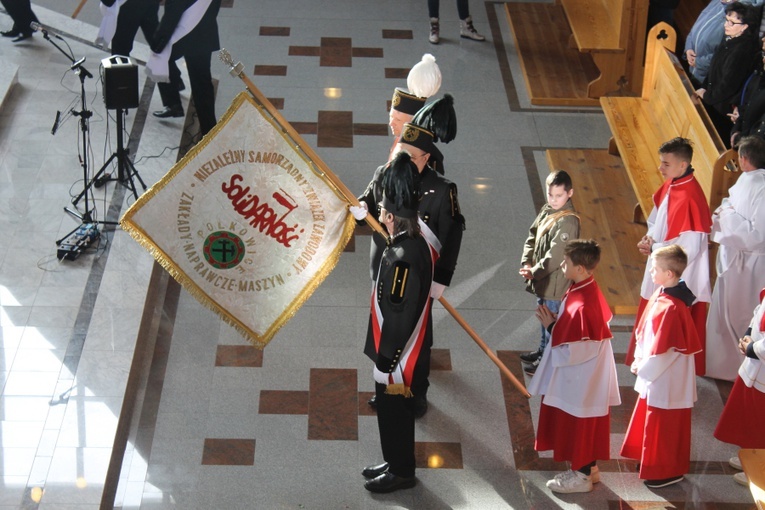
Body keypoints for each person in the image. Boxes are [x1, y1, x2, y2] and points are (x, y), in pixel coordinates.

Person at [355, 100, 464, 417]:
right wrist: (360, 211)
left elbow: (452, 235)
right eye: (400, 153)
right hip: (384, 266)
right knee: (382, 325)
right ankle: (385, 384)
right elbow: (370, 203)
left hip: (419, 276)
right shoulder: (385, 173)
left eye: (410, 156)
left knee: (417, 336)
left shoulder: (443, 190)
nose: (400, 160)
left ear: (427, 157)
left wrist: (441, 278)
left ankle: (416, 390)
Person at [361, 152, 436, 494]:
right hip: (402, 356)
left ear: (390, 216)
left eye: (381, 213)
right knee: (394, 415)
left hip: (397, 360)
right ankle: (394, 459)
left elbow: (398, 315)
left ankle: (401, 469)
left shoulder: (402, 262)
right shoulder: (415, 240)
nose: (379, 216)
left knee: (394, 413)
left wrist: (385, 362)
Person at [528, 240, 621, 494]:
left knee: (578, 422)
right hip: (587, 374)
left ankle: (581, 477)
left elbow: (578, 349)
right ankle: (589, 468)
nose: (561, 264)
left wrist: (551, 327)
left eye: (566, 262)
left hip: (581, 377)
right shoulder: (585, 287)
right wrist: (560, 323)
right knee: (584, 420)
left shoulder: (583, 304)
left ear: (580, 268)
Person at [625, 138, 712, 375]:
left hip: (680, 272)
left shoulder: (690, 196)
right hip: (662, 259)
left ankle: (665, 368)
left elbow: (688, 249)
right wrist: (649, 238)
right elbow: (657, 221)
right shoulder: (674, 184)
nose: (660, 168)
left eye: (665, 163)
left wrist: (655, 248)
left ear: (683, 165)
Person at [620, 245, 702, 489]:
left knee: (664, 425)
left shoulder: (673, 307)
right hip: (655, 371)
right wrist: (638, 357)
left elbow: (667, 351)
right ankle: (650, 460)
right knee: (651, 418)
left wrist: (642, 368)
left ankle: (667, 470)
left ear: (669, 274)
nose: (651, 273)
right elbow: (646, 331)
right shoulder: (663, 293)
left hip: (667, 377)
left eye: (654, 269)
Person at [706, 135, 765, 380]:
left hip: (750, 264)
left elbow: (758, 235)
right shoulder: (746, 179)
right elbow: (728, 203)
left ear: (743, 159)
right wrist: (726, 212)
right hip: (733, 257)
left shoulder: (761, 187)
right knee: (724, 311)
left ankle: (741, 370)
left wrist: (727, 217)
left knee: (742, 314)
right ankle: (721, 366)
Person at [518, 170, 580, 375]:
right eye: (550, 194)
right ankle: (542, 350)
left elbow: (555, 257)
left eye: (559, 196)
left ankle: (547, 361)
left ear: (569, 193)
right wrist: (527, 261)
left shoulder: (568, 222)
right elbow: (533, 235)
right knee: (543, 318)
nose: (553, 200)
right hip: (542, 280)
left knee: (551, 321)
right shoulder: (548, 210)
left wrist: (533, 272)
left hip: (554, 284)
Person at [714, 287, 765, 486]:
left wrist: (751, 347)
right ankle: (751, 456)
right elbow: (759, 312)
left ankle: (759, 470)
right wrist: (747, 335)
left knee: (761, 424)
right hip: (755, 369)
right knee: (749, 418)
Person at [149, 0, 221, 136]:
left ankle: (173, 103)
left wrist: (158, 41)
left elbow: (172, 13)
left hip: (186, 35)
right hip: (205, 32)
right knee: (203, 84)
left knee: (160, 58)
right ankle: (210, 130)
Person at [695, 2, 761, 145]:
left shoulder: (742, 49)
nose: (726, 25)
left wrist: (707, 96)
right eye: (726, 20)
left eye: (732, 22)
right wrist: (705, 87)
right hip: (713, 98)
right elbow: (714, 66)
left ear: (745, 27)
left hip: (722, 108)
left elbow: (729, 84)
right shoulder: (729, 39)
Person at [684, 0, 761, 86]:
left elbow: (724, 53)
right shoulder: (716, 2)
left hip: (705, 79)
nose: (726, 24)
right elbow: (696, 28)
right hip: (689, 67)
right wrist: (688, 47)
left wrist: (699, 62)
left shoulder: (740, 15)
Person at [387, 54, 442, 161]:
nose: (391, 123)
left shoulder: (418, 155)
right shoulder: (399, 139)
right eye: (391, 116)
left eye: (398, 119)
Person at [729, 37, 765, 146]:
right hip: (742, 140)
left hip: (752, 151)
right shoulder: (760, 75)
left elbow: (760, 132)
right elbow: (749, 103)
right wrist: (736, 130)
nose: (763, 38)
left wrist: (740, 139)